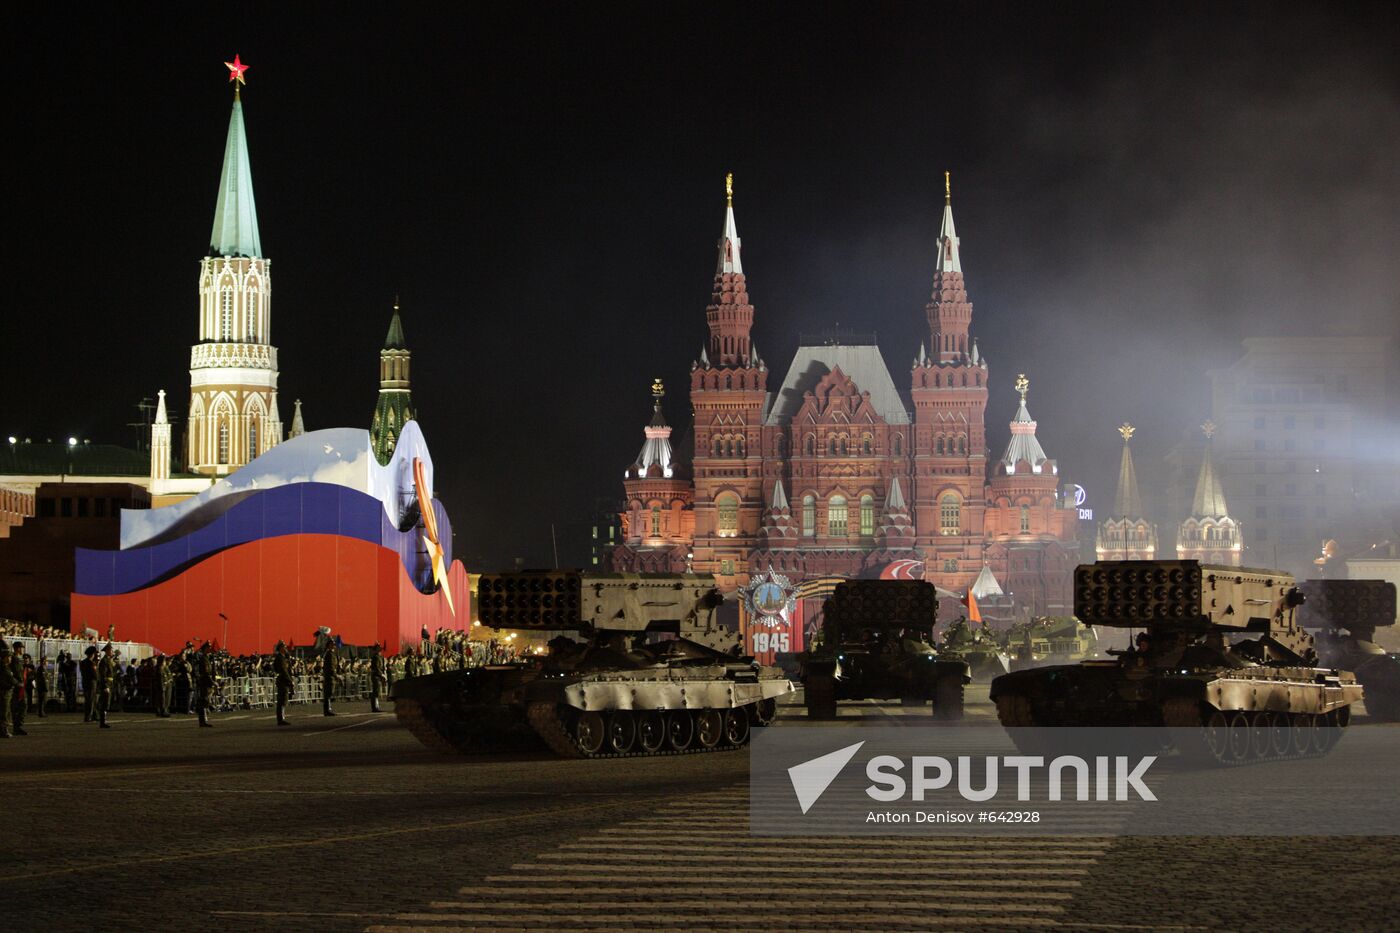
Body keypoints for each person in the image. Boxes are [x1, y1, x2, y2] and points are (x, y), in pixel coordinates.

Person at [192, 642, 215, 727]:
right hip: (205, 682)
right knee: (204, 701)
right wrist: (212, 681)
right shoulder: (203, 659)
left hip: (207, 682)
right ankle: (203, 721)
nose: (210, 649)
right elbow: (206, 672)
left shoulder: (207, 658)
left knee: (205, 701)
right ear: (205, 649)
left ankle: (204, 720)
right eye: (208, 648)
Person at [273, 641, 294, 726]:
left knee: (283, 699)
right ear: (280, 648)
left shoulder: (283, 657)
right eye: (284, 647)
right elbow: (283, 671)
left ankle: (282, 718)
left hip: (284, 680)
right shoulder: (280, 658)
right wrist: (290, 680)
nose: (285, 649)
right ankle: (281, 719)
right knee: (282, 700)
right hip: (283, 680)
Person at [95, 643, 117, 729]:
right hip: (106, 683)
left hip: (110, 683)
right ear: (107, 651)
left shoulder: (108, 660)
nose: (112, 652)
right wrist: (105, 686)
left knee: (107, 703)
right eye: (111, 650)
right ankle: (102, 722)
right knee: (105, 702)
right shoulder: (104, 661)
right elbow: (103, 675)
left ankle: (103, 721)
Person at [9, 642, 28, 736]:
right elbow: (16, 673)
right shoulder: (14, 659)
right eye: (20, 648)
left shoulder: (17, 659)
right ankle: (17, 727)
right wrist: (20, 683)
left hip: (20, 685)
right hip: (18, 687)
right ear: (16, 649)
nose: (22, 650)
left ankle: (17, 727)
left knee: (21, 706)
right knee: (19, 707)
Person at [0, 643, 17, 738]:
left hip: (6, 692)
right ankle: (4, 730)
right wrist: (16, 684)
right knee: (4, 712)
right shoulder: (3, 668)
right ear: (3, 658)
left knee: (5, 711)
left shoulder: (6, 667)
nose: (9, 659)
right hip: (4, 692)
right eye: (8, 657)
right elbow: (10, 679)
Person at [321, 641, 340, 717]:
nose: (334, 646)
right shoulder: (329, 654)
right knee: (328, 693)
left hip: (330, 676)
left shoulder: (331, 654)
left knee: (329, 693)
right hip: (330, 676)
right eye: (332, 645)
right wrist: (336, 676)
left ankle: (328, 709)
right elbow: (331, 667)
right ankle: (327, 710)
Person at [81, 646, 99, 722]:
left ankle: (94, 715)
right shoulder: (91, 663)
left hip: (85, 682)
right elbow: (95, 675)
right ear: (92, 654)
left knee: (91, 700)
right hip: (92, 683)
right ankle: (88, 716)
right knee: (91, 700)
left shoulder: (82, 662)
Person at [369, 643, 387, 713]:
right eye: (378, 649)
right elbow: (377, 668)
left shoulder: (379, 657)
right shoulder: (376, 657)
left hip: (378, 676)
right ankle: (375, 707)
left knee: (377, 692)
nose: (380, 651)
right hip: (376, 676)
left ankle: (376, 706)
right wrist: (381, 675)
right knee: (376, 692)